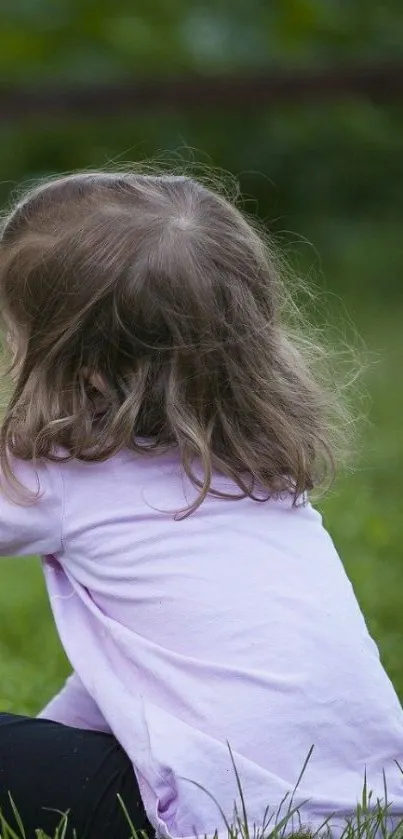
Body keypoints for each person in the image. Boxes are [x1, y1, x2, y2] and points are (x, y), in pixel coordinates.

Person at [0, 171, 402, 839]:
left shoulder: (61, 470)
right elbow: (158, 672)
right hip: (367, 804)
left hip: (214, 813)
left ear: (85, 372)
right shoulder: (261, 468)